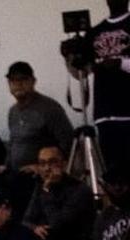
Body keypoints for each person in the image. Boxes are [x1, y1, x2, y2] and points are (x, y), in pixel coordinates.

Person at [79, 0, 130, 165]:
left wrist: (120, 63)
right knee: (114, 177)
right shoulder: (94, 32)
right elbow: (82, 73)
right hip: (105, 113)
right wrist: (70, 58)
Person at [23, 145, 97, 240]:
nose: (47, 168)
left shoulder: (79, 190)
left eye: (52, 162)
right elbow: (26, 220)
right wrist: (35, 228)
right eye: (42, 164)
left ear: (64, 164)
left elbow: (57, 225)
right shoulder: (40, 186)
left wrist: (47, 191)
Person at [6, 62, 74, 175]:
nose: (18, 84)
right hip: (16, 175)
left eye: (23, 79)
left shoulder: (49, 108)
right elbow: (13, 143)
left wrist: (42, 168)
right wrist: (5, 166)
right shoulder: (12, 111)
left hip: (41, 176)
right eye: (13, 80)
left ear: (33, 81)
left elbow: (68, 143)